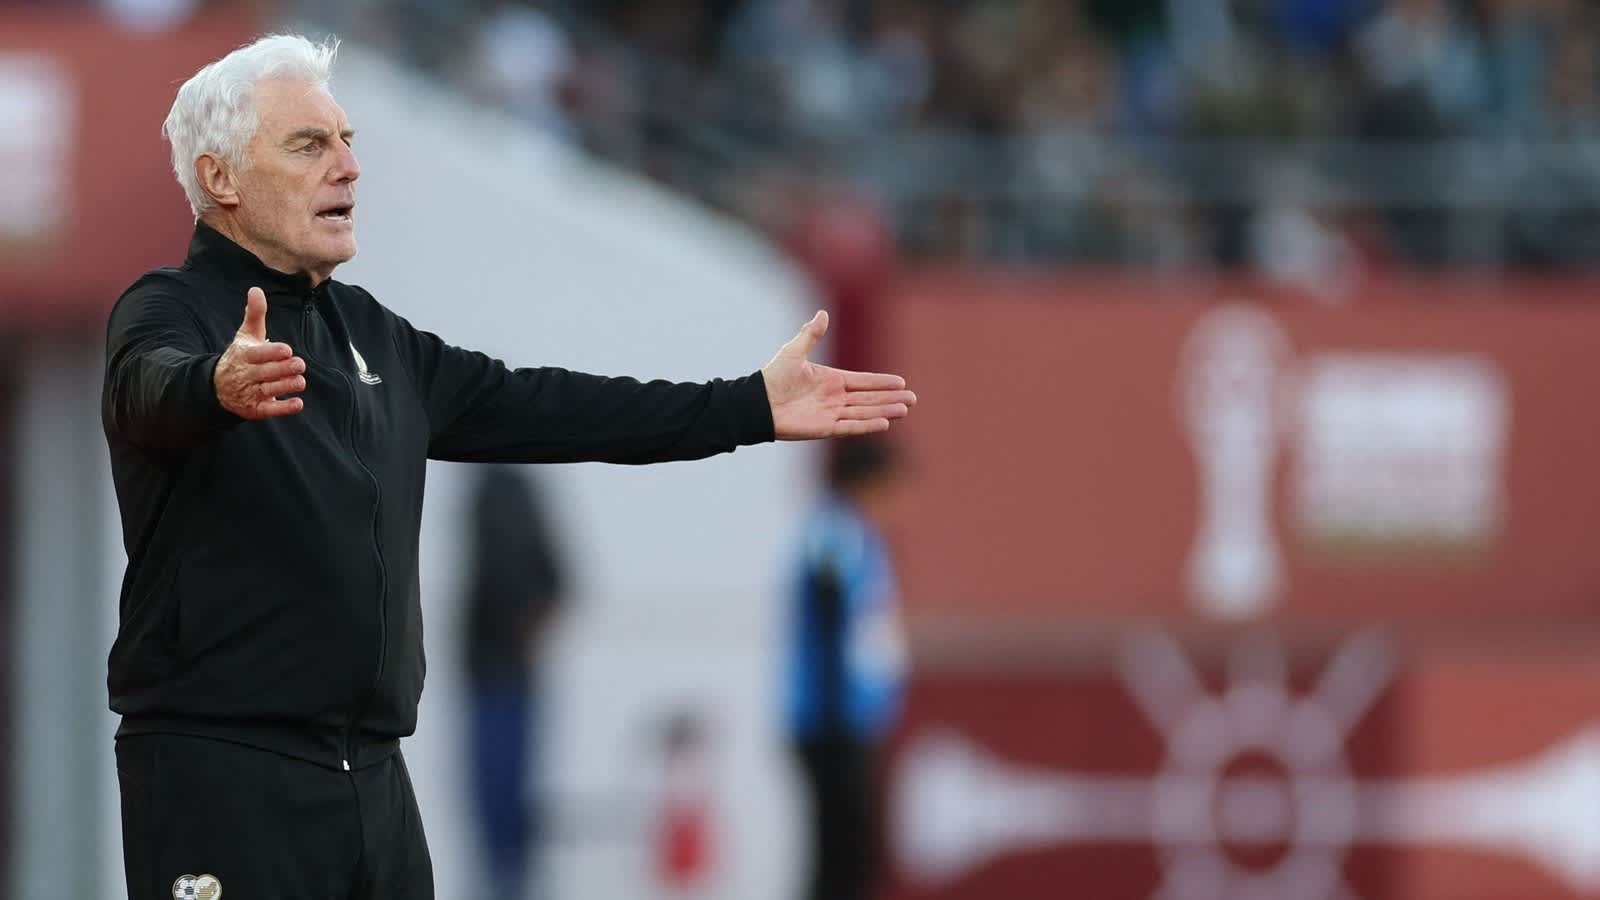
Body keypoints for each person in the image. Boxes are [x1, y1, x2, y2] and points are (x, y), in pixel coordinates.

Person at [101, 33, 915, 900]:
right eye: (310, 145)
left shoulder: (372, 334)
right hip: (222, 773)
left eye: (348, 141)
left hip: (372, 777)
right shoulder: (168, 311)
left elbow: (552, 405)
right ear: (221, 179)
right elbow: (148, 387)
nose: (348, 167)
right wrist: (212, 385)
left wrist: (745, 406)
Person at [783, 435, 909, 900]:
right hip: (832, 722)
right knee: (842, 857)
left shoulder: (858, 534)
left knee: (852, 855)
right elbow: (831, 608)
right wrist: (838, 715)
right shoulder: (836, 530)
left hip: (849, 719)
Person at [459, 465, 568, 900]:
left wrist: (520, 637)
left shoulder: (500, 491)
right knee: (500, 806)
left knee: (502, 806)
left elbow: (550, 579)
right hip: (497, 673)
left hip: (501, 675)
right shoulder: (498, 489)